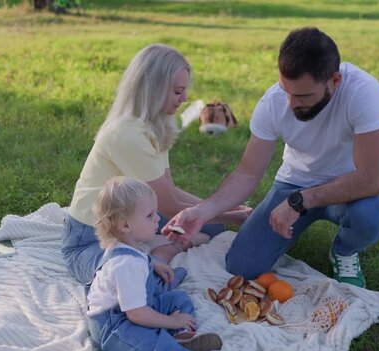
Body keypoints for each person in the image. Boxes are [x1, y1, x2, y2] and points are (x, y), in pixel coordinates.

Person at [162, 27, 379, 288]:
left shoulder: (363, 92)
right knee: (241, 266)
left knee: (370, 215)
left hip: (348, 189)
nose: (292, 104)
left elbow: (371, 180)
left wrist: (300, 201)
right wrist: (202, 211)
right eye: (287, 90)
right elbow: (247, 173)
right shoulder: (273, 102)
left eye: (304, 95)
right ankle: (280, 220)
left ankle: (344, 251)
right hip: (295, 183)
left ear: (334, 81)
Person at [61, 43, 249, 284]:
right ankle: (161, 253)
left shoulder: (157, 125)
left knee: (213, 228)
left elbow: (168, 190)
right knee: (137, 283)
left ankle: (161, 248)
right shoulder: (128, 134)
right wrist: (232, 215)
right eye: (178, 91)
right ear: (155, 90)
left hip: (131, 220)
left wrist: (221, 209)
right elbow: (169, 204)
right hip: (93, 239)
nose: (186, 98)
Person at [86, 176, 223, 351]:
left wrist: (153, 263)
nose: (158, 218)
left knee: (178, 298)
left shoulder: (128, 246)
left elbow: (140, 261)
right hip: (116, 326)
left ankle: (182, 337)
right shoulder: (126, 265)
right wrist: (172, 321)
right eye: (150, 215)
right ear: (125, 225)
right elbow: (137, 314)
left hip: (134, 309)